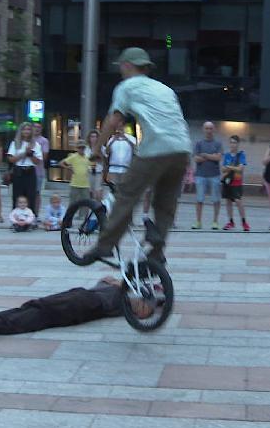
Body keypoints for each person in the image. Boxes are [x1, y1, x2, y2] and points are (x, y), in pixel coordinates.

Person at [81, 47, 191, 265]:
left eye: (121, 66)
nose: (120, 71)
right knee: (165, 202)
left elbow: (113, 120)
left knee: (126, 196)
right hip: (182, 148)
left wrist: (96, 150)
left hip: (156, 149)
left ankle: (104, 246)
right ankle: (157, 249)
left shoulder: (127, 86)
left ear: (127, 65)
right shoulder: (165, 89)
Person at [0, 276, 155, 336]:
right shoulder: (117, 285)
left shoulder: (126, 303)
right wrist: (120, 283)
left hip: (89, 305)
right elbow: (106, 278)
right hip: (80, 294)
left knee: (43, 313)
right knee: (36, 306)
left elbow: (144, 312)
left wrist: (147, 301)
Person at [192, 121, 223, 230]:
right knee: (199, 199)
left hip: (215, 175)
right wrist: (211, 156)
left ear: (213, 130)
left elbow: (218, 158)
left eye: (210, 128)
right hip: (200, 175)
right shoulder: (198, 143)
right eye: (207, 128)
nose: (209, 130)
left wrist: (204, 155)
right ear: (203, 129)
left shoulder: (218, 144)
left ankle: (215, 222)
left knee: (216, 199)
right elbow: (196, 159)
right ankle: (198, 221)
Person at [7, 123, 42, 213]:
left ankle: (30, 218)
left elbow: (37, 161)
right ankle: (16, 218)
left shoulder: (36, 145)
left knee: (31, 196)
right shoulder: (15, 143)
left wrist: (30, 154)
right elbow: (11, 159)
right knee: (17, 196)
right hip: (18, 171)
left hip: (30, 171)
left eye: (28, 129)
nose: (26, 131)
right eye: (24, 129)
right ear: (21, 131)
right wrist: (23, 154)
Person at [221, 135, 250, 232]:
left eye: (234, 142)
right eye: (231, 142)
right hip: (227, 181)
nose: (233, 145)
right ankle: (231, 222)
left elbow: (240, 169)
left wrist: (229, 167)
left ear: (238, 144)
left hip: (237, 181)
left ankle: (244, 222)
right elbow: (222, 169)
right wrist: (232, 167)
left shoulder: (241, 155)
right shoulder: (227, 155)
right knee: (228, 201)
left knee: (238, 201)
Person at [60, 141, 93, 206]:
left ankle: (82, 216)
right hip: (75, 184)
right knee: (73, 202)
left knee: (85, 203)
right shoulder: (73, 157)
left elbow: (93, 166)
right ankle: (71, 215)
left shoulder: (87, 158)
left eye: (83, 148)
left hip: (85, 184)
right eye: (80, 148)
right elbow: (61, 163)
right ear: (77, 148)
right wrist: (68, 167)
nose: (81, 149)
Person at [84, 129, 106, 201]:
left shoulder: (102, 148)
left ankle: (99, 207)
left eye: (95, 137)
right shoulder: (86, 148)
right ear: (89, 138)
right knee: (89, 191)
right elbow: (86, 160)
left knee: (98, 191)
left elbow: (104, 159)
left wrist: (99, 154)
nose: (94, 139)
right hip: (89, 172)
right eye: (92, 137)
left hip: (98, 172)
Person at [33, 123, 50, 210]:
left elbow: (44, 157)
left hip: (38, 171)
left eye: (39, 127)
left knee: (37, 193)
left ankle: (36, 214)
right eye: (35, 127)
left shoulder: (44, 141)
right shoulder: (28, 140)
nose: (37, 129)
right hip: (27, 170)